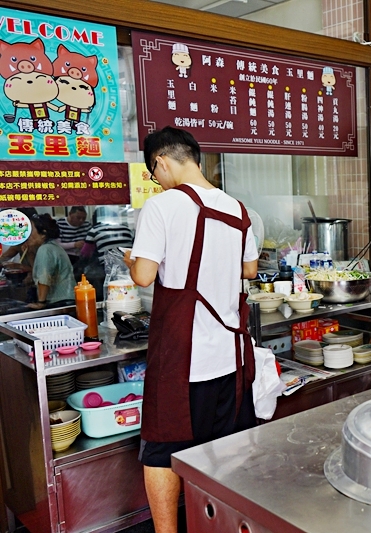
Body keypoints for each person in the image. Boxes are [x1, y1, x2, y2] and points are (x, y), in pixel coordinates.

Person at [123, 126, 258, 533]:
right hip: (230, 358)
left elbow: (145, 277)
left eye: (153, 172)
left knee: (163, 451)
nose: (156, 180)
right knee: (225, 451)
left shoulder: (163, 207)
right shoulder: (237, 208)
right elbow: (249, 269)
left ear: (161, 162)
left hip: (184, 360)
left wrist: (132, 260)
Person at [26, 214, 75, 309]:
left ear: (43, 234)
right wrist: (30, 253)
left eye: (31, 230)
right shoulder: (52, 246)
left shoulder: (45, 249)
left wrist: (41, 303)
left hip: (60, 302)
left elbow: (44, 277)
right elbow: (39, 271)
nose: (27, 234)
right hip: (66, 300)